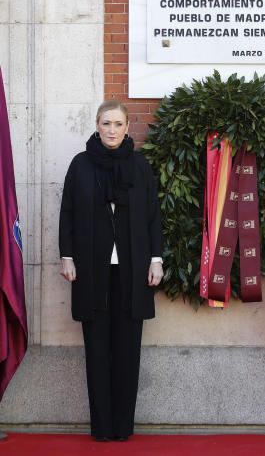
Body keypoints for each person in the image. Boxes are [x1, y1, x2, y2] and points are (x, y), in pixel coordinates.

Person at [59, 100, 163, 441]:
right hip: (91, 271)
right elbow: (68, 214)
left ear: (127, 126)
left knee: (127, 350)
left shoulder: (139, 165)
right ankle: (101, 428)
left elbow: (152, 217)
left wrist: (156, 260)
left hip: (133, 273)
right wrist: (67, 256)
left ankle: (123, 428)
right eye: (106, 123)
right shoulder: (81, 165)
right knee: (97, 350)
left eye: (118, 124)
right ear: (97, 125)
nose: (112, 130)